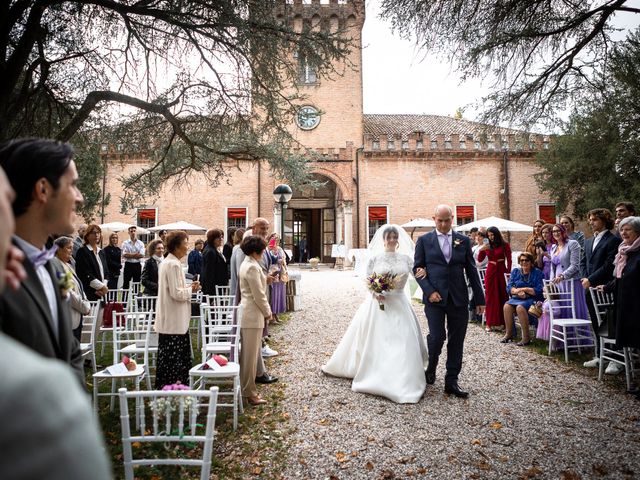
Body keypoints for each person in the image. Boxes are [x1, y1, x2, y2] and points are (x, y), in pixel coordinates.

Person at [0, 138, 85, 384]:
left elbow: (70, 350)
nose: (79, 197)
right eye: (73, 184)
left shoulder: (53, 266)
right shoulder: (5, 272)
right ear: (43, 189)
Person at [322, 225, 428, 403]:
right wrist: (375, 292)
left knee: (403, 340)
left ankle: (403, 375)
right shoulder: (375, 259)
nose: (393, 240)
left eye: (395, 237)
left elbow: (416, 273)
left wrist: (425, 271)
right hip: (379, 304)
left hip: (399, 303)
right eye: (389, 237)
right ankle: (375, 372)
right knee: (377, 339)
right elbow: (368, 280)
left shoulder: (406, 259)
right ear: (383, 239)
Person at [414, 205, 485, 398]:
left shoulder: (463, 241)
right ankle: (431, 368)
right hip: (434, 298)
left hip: (458, 297)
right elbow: (417, 270)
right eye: (440, 220)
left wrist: (480, 299)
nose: (444, 224)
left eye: (447, 220)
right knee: (437, 337)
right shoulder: (424, 241)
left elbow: (472, 270)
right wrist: (429, 291)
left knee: (457, 340)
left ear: (452, 219)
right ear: (434, 219)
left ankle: (451, 381)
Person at [155, 231, 200, 388]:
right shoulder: (173, 264)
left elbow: (174, 289)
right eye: (185, 243)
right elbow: (176, 293)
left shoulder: (168, 262)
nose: (187, 247)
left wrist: (188, 287)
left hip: (171, 319)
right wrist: (191, 291)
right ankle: (175, 388)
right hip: (174, 320)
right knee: (174, 360)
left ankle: (170, 387)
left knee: (169, 358)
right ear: (176, 246)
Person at [580, 208, 622, 369]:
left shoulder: (613, 241)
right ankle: (600, 355)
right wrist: (585, 278)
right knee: (596, 321)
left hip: (604, 287)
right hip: (589, 287)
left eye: (594, 219)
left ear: (604, 220)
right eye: (590, 219)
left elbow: (608, 265)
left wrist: (591, 279)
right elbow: (583, 262)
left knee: (608, 323)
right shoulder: (588, 240)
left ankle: (614, 359)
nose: (591, 222)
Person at [603, 216, 640, 388]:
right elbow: (620, 277)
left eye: (628, 229)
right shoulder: (624, 251)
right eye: (622, 229)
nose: (623, 232)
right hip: (625, 304)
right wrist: (607, 287)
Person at [239, 235, 274, 406]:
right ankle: (249, 393)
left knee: (249, 356)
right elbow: (258, 294)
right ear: (255, 251)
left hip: (249, 313)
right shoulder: (252, 267)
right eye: (262, 249)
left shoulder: (248, 263)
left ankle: (247, 389)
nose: (264, 252)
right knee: (250, 358)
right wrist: (268, 312)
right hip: (252, 314)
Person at [536, 224, 587, 342]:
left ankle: (576, 340)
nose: (556, 233)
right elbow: (553, 267)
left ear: (564, 231)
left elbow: (575, 265)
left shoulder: (573, 244)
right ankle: (562, 340)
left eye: (558, 230)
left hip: (571, 282)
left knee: (572, 309)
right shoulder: (554, 247)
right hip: (557, 283)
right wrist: (550, 284)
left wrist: (563, 275)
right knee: (561, 310)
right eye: (554, 231)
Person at [51, 236, 91, 342]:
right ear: (58, 249)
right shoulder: (56, 266)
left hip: (76, 317)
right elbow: (68, 292)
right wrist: (84, 306)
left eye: (72, 248)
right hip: (68, 319)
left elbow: (78, 286)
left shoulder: (67, 265)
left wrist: (85, 301)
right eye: (69, 248)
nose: (71, 251)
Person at [501, 252, 544, 345]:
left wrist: (525, 289)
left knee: (520, 307)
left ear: (531, 262)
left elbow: (539, 290)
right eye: (522, 260)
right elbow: (509, 287)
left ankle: (526, 337)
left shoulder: (537, 272)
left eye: (526, 260)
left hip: (532, 299)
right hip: (517, 297)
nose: (524, 262)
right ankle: (509, 334)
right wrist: (517, 292)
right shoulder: (515, 271)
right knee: (506, 306)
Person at [477, 226, 512, 331]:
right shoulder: (487, 245)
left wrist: (509, 273)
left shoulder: (504, 245)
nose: (491, 237)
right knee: (490, 297)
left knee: (503, 295)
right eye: (489, 235)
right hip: (491, 271)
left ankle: (503, 322)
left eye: (493, 235)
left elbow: (509, 260)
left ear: (497, 234)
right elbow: (480, 259)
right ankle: (490, 323)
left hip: (501, 270)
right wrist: (481, 250)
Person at [74, 224, 110, 302]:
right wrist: (101, 287)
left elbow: (106, 272)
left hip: (102, 293)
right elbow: (84, 273)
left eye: (98, 233)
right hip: (89, 293)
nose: (96, 235)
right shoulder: (82, 251)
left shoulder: (101, 252)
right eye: (93, 233)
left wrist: (103, 287)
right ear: (87, 235)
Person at [201, 228, 229, 296]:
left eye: (221, 237)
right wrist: (211, 293)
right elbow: (209, 273)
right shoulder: (210, 251)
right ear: (213, 239)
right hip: (214, 289)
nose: (221, 240)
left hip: (217, 287)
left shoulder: (213, 249)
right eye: (219, 238)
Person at [266, 233, 287, 323]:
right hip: (272, 273)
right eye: (274, 239)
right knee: (273, 294)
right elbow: (267, 260)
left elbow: (284, 259)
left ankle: (276, 314)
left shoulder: (280, 249)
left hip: (279, 272)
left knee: (279, 294)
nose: (276, 241)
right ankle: (272, 316)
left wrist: (282, 261)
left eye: (277, 239)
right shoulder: (267, 249)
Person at [121, 225, 144, 289]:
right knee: (126, 283)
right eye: (131, 231)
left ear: (136, 232)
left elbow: (141, 255)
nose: (133, 232)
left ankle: (136, 298)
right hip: (128, 264)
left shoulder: (140, 243)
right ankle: (124, 299)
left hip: (137, 265)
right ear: (129, 232)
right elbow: (124, 255)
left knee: (137, 283)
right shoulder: (125, 243)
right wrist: (136, 254)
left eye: (134, 231)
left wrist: (130, 255)